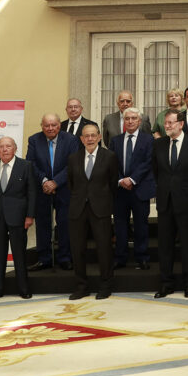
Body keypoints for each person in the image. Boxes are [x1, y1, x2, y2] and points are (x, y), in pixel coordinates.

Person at [152, 110, 188, 298]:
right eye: (165, 123)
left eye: (171, 123)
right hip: (165, 202)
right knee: (165, 246)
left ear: (181, 124)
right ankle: (166, 284)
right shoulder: (158, 145)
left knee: (187, 245)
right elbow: (155, 171)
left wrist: (187, 193)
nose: (167, 126)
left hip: (186, 202)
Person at [0, 137, 37, 301]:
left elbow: (32, 192)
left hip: (19, 218)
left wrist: (30, 215)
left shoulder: (26, 166)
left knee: (19, 254)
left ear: (15, 148)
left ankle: (23, 289)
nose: (5, 149)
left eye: (8, 146)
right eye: (1, 147)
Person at [67, 124, 118, 300]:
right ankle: (81, 286)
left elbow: (112, 183)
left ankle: (106, 285)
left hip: (101, 208)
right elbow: (71, 183)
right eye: (86, 136)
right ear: (81, 139)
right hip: (78, 209)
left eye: (93, 136)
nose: (89, 139)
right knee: (77, 249)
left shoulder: (109, 156)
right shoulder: (73, 158)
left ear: (98, 137)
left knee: (104, 248)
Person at [26, 113, 79, 272]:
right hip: (42, 190)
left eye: (53, 125)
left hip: (64, 189)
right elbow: (31, 164)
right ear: (41, 126)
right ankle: (44, 259)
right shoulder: (34, 140)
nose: (50, 128)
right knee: (43, 225)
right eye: (46, 125)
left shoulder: (71, 140)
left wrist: (56, 182)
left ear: (59, 125)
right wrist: (44, 181)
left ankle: (65, 258)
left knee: (65, 224)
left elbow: (73, 164)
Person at [111, 107, 155, 270]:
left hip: (140, 189)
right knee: (120, 225)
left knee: (141, 225)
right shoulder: (115, 140)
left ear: (139, 121)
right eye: (127, 118)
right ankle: (120, 257)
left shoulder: (148, 139)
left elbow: (148, 162)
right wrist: (121, 180)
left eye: (133, 118)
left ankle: (141, 256)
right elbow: (112, 163)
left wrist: (132, 179)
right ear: (123, 121)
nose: (130, 121)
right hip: (120, 190)